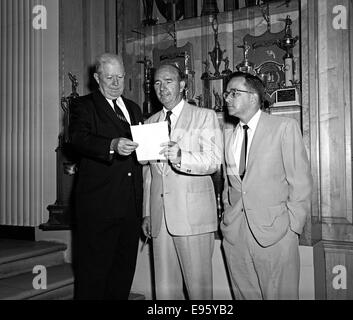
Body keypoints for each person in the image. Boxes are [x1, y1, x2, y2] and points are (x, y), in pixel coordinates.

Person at [220, 72, 312, 300]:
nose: (227, 99)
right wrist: (227, 220)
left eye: (234, 93)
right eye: (226, 93)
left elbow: (300, 182)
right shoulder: (229, 136)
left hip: (276, 234)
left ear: (253, 97)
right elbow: (229, 187)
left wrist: (292, 229)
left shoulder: (284, 127)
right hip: (235, 235)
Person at [141, 64, 223, 300]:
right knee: (165, 292)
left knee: (199, 292)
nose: (162, 87)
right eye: (157, 83)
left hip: (193, 218)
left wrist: (181, 157)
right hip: (160, 218)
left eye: (168, 81)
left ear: (183, 85)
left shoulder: (204, 116)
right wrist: (147, 211)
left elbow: (213, 161)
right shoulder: (150, 122)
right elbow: (149, 173)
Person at [69, 53, 143, 300]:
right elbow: (78, 139)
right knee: (93, 278)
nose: (115, 83)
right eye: (109, 77)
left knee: (122, 276)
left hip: (130, 209)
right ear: (96, 78)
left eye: (120, 77)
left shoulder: (133, 108)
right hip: (98, 209)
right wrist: (111, 144)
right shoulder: (83, 105)